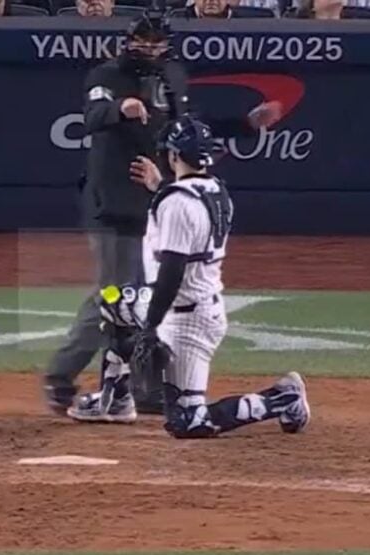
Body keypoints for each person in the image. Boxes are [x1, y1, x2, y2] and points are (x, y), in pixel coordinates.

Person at [43, 10, 282, 419]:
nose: (150, 49)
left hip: (154, 201)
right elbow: (92, 117)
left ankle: (132, 387)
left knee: (145, 295)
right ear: (129, 41)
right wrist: (121, 107)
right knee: (115, 296)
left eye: (157, 42)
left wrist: (244, 124)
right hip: (113, 204)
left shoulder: (173, 74)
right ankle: (64, 375)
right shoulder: (107, 76)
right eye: (144, 41)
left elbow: (186, 128)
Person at [70, 117, 311, 439]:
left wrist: (151, 328)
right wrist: (159, 187)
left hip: (186, 320)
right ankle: (114, 400)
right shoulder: (215, 191)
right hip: (179, 303)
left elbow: (172, 271)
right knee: (113, 302)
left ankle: (282, 398)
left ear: (173, 156)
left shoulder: (176, 203)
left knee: (188, 422)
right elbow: (187, 210)